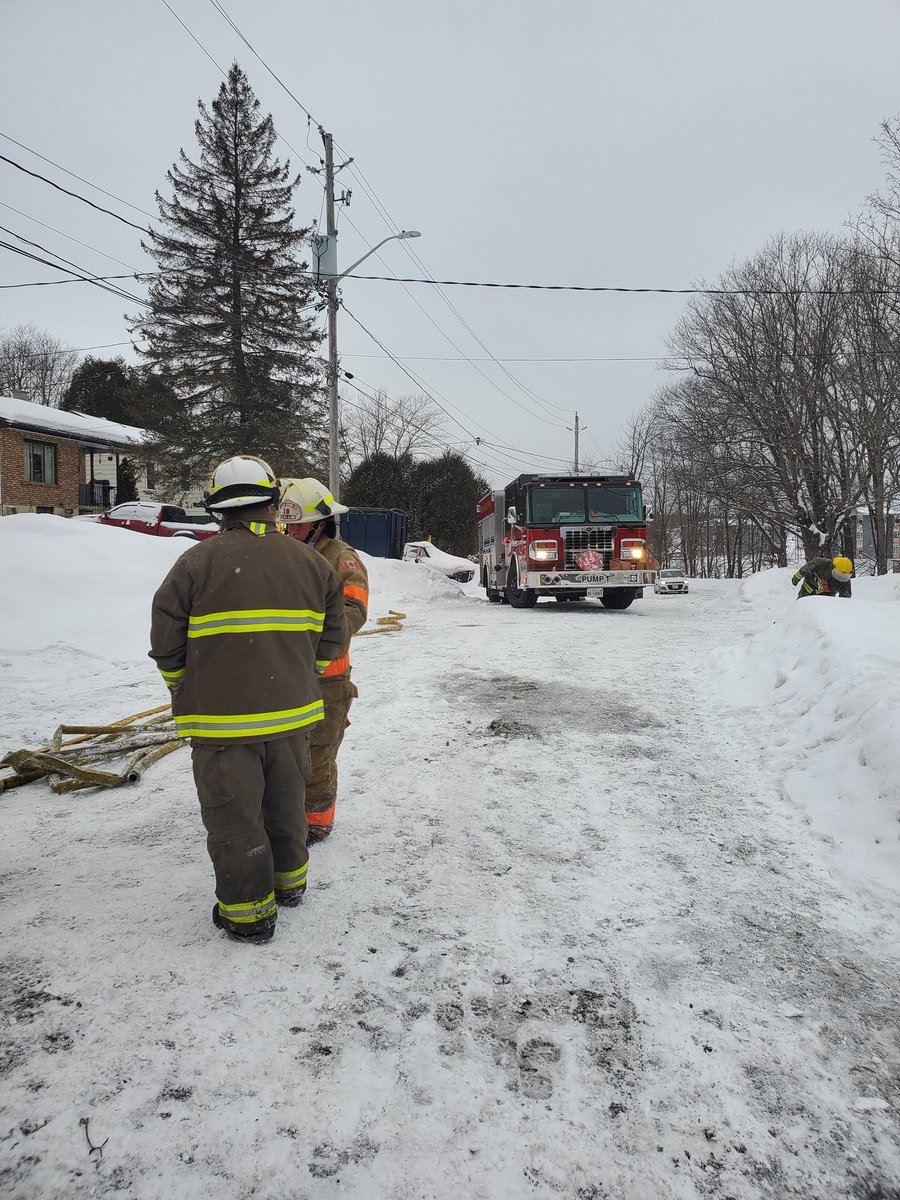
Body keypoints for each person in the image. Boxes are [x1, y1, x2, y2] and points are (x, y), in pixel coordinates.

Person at [149, 455, 347, 944]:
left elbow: (166, 640)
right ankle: (290, 886)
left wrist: (180, 685)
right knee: (285, 805)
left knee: (235, 817)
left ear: (218, 509)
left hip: (221, 725)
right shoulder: (310, 563)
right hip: (293, 717)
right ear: (273, 503)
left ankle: (248, 916)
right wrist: (304, 676)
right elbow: (333, 637)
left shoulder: (195, 563)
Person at [278, 477, 369, 843]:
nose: (291, 530)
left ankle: (316, 821)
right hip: (285, 675)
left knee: (317, 754)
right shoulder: (283, 552)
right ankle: (285, 814)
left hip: (327, 682)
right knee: (285, 752)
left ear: (320, 522)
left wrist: (312, 639)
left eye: (299, 524)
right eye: (288, 523)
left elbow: (354, 611)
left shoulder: (341, 559)